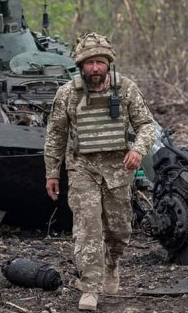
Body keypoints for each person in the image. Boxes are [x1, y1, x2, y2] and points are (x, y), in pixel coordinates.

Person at [44, 33, 155, 311]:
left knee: (119, 230)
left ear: (108, 63)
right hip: (82, 167)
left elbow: (146, 125)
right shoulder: (68, 94)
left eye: (100, 62)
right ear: (81, 65)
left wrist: (138, 150)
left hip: (118, 168)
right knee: (87, 229)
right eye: (89, 62)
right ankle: (90, 288)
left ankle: (112, 264)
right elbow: (55, 135)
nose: (95, 68)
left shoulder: (126, 89)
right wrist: (52, 172)